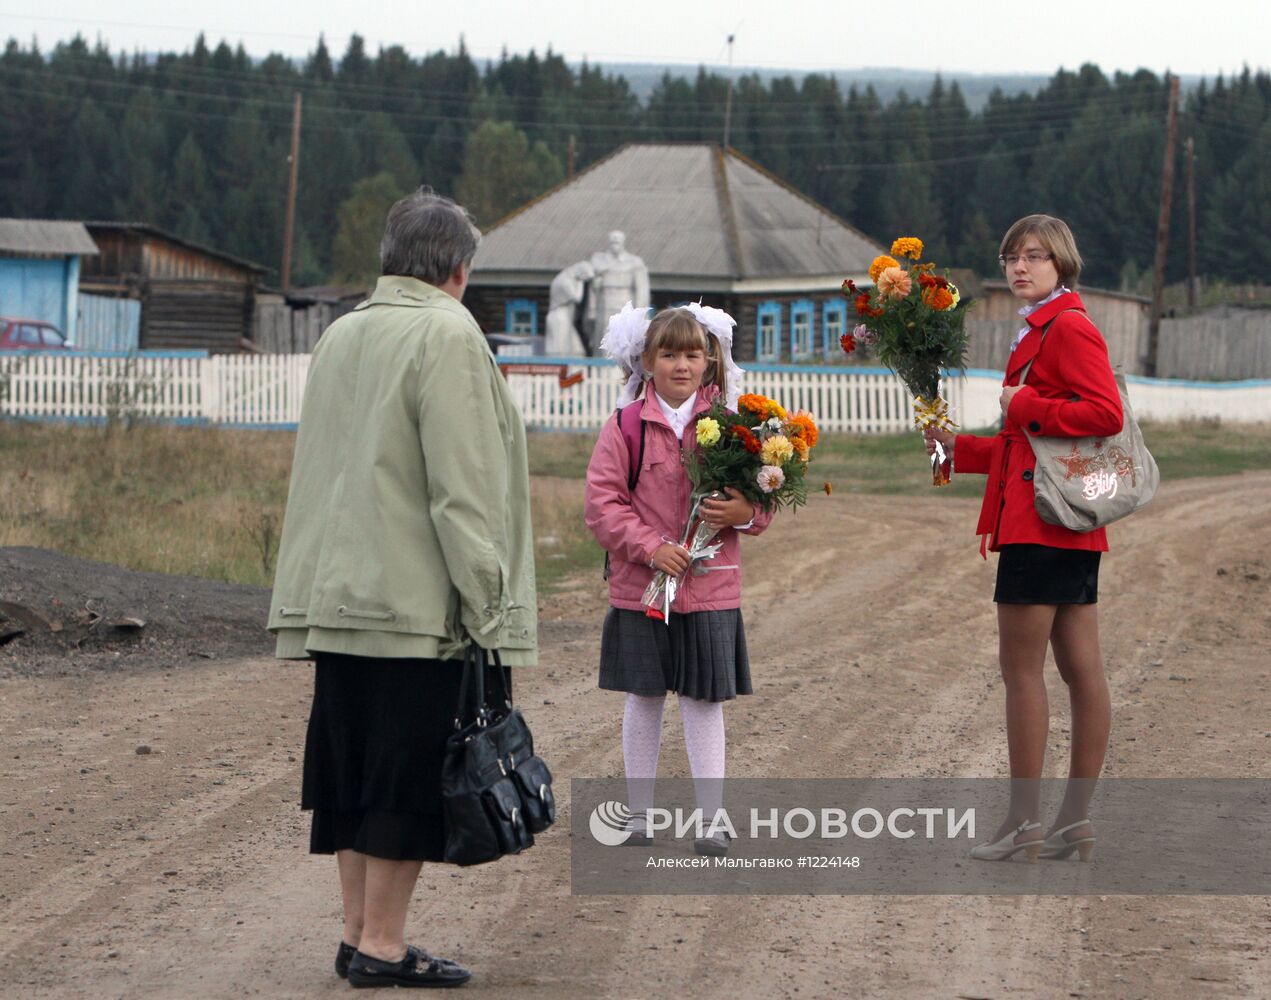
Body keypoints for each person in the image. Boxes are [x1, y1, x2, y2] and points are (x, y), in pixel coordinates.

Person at [267, 188, 537, 987]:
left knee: (352, 773)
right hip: (416, 606)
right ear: (459, 268)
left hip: (335, 595)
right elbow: (462, 491)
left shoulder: (344, 332)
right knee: (405, 777)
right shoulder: (448, 335)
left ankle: (359, 934)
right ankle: (383, 946)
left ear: (391, 258)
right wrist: (490, 606)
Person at [925, 215, 1121, 863]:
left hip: (1042, 523)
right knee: (1077, 670)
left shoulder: (1064, 327)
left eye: (1033, 257)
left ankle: (1023, 823)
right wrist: (960, 450)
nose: (1018, 267)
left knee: (1023, 673)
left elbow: (1103, 414)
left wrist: (1022, 405)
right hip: (1063, 521)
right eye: (1010, 256)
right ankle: (1070, 822)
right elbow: (1024, 443)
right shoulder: (1043, 326)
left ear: (1060, 262)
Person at [584, 302, 767, 856]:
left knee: (702, 701)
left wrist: (746, 514)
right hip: (642, 587)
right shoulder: (625, 427)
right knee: (644, 696)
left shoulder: (735, 428)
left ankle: (711, 822)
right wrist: (652, 548)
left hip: (710, 589)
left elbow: (762, 503)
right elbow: (601, 505)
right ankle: (639, 817)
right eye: (669, 354)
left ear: (710, 360)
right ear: (647, 359)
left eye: (692, 354)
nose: (681, 365)